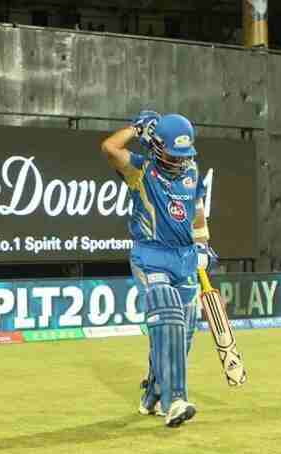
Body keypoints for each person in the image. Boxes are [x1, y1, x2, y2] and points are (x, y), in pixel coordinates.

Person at [101, 111, 217, 428]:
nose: (179, 160)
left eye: (184, 154)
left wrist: (203, 245)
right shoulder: (140, 170)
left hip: (185, 258)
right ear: (156, 145)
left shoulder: (191, 170)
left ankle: (152, 393)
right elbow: (109, 148)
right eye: (173, 154)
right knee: (168, 318)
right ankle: (175, 401)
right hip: (151, 256)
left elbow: (197, 212)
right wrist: (136, 128)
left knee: (183, 334)